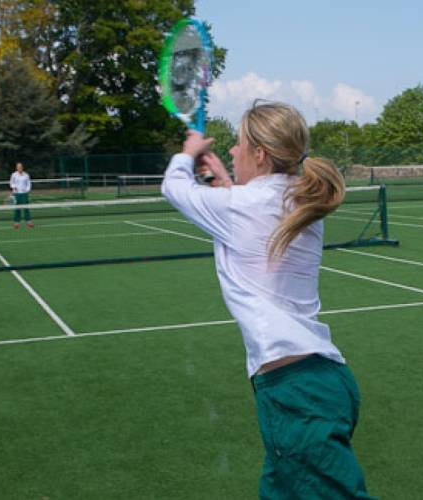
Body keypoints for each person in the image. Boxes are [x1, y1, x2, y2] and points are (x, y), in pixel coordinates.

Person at [161, 101, 376, 499]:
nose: (230, 150)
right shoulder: (301, 201)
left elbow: (173, 188)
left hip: (297, 392)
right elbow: (254, 212)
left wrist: (187, 153)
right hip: (317, 383)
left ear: (259, 154)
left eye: (238, 144)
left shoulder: (241, 206)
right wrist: (228, 182)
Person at [10, 162, 33, 229]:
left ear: (22, 167)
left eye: (21, 167)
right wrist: (14, 187)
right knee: (17, 209)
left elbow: (28, 183)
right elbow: (11, 183)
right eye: (18, 167)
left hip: (24, 194)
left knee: (26, 208)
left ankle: (28, 222)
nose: (19, 168)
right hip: (16, 194)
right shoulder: (13, 175)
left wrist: (27, 190)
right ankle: (16, 223)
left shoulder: (26, 175)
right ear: (16, 168)